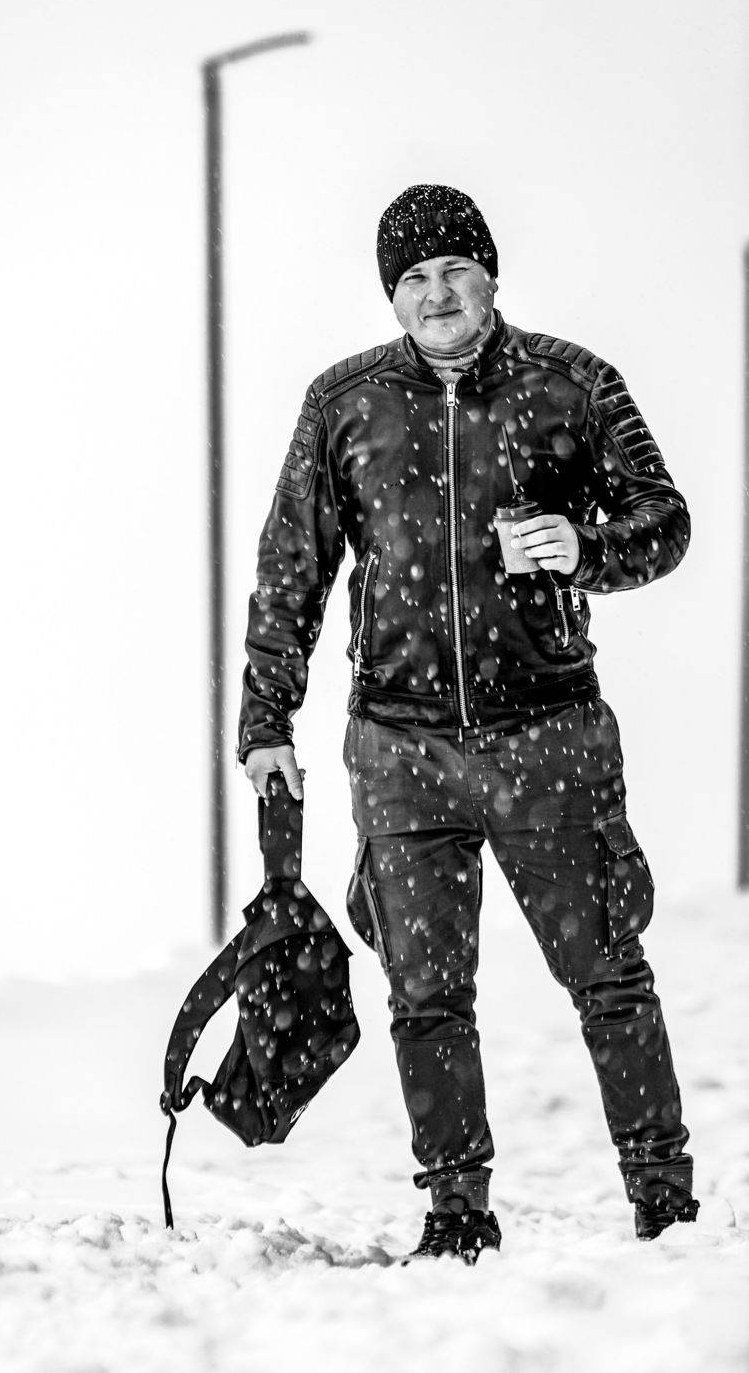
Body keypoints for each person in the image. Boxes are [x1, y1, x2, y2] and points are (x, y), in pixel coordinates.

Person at [236, 183, 697, 1264]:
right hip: (399, 745)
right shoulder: (344, 403)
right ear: (391, 296)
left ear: (489, 274)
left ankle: (664, 1201)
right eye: (413, 278)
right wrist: (266, 720)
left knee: (607, 977)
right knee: (426, 998)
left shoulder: (574, 384)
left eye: (454, 269)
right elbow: (291, 567)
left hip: (548, 733)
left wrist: (587, 548)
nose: (436, 292)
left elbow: (663, 520)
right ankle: (454, 1216)